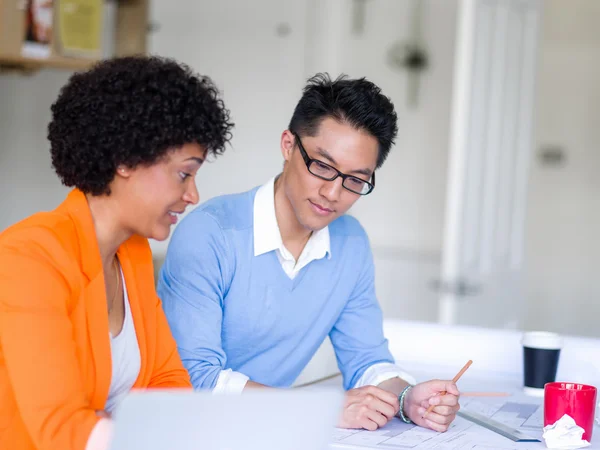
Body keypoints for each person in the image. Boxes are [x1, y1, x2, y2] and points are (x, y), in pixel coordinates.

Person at [157, 73, 460, 432]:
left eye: (356, 180)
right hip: (187, 431)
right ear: (288, 145)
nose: (333, 193)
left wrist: (406, 398)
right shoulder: (210, 234)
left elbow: (365, 358)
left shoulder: (351, 242)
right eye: (322, 166)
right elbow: (195, 380)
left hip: (272, 433)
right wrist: (319, 409)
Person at [0, 56, 233, 450]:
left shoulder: (133, 252)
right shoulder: (29, 256)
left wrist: (113, 425)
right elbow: (60, 428)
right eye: (184, 173)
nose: (193, 195)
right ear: (125, 160)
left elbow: (169, 381)